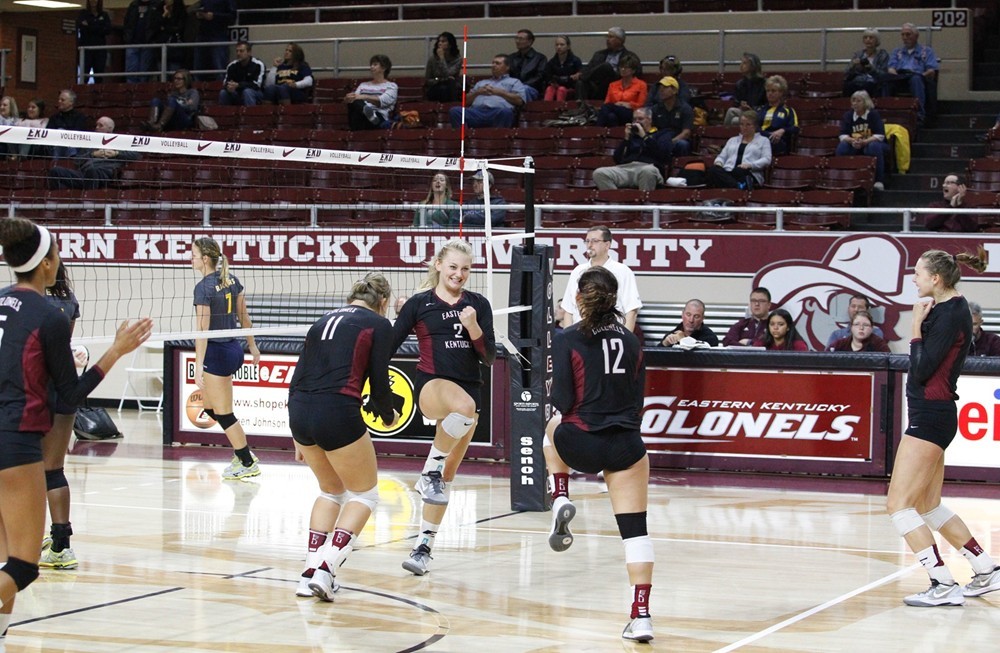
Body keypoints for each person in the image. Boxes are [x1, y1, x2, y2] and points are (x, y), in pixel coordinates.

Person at [0, 217, 151, 650]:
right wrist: (116, 351)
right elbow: (71, 395)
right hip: (15, 440)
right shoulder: (48, 315)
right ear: (46, 264)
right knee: (24, 566)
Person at [543, 266, 654, 642]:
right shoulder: (634, 341)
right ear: (617, 299)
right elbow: (638, 400)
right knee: (636, 534)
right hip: (626, 445)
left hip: (581, 441)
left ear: (578, 299)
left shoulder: (567, 338)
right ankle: (641, 616)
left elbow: (562, 400)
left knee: (549, 426)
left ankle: (559, 494)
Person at [886, 248, 1000, 607]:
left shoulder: (948, 314)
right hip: (937, 414)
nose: (914, 279)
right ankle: (985, 569)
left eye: (918, 274)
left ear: (936, 279)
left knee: (899, 505)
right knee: (929, 506)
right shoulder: (953, 308)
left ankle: (942, 583)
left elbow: (921, 370)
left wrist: (916, 327)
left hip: (930, 415)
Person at [288, 273, 399, 601]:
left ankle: (307, 572)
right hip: (336, 409)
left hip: (299, 411)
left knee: (331, 491)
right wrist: (388, 412)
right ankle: (326, 568)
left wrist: (297, 436)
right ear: (382, 303)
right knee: (365, 495)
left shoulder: (321, 321)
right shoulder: (379, 324)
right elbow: (379, 383)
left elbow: (297, 376)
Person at [391, 239, 496, 576]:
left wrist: (474, 327)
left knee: (445, 481)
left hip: (468, 396)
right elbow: (390, 342)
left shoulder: (478, 304)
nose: (459, 274)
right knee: (463, 408)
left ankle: (423, 548)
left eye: (465, 269)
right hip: (432, 387)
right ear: (438, 265)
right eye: (453, 267)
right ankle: (429, 471)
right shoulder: (420, 304)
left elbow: (489, 356)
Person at [190, 236, 262, 480]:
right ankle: (241, 451)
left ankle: (246, 460)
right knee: (210, 407)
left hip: (217, 352)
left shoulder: (204, 288)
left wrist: (198, 365)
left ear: (206, 259)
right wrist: (252, 346)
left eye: (194, 255)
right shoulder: (231, 279)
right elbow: (244, 317)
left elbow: (203, 330)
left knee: (223, 412)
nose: (191, 259)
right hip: (233, 348)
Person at [39, 263, 88, 570]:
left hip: (35, 388)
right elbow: (63, 345)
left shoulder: (26, 301)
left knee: (21, 470)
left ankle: (23, 538)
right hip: (66, 385)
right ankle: (61, 545)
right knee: (54, 470)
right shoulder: (68, 299)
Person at [560, 226, 642, 333]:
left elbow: (631, 310)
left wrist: (625, 339)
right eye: (587, 241)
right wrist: (568, 339)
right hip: (580, 335)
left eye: (595, 241)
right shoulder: (578, 271)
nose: (589, 245)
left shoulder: (623, 271)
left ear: (607, 245)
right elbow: (568, 310)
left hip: (611, 334)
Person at [48, 117, 141, 190]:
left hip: (103, 174)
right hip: (83, 174)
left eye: (100, 125)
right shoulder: (90, 143)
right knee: (55, 171)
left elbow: (137, 155)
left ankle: (89, 202)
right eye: (96, 125)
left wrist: (116, 153)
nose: (96, 128)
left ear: (110, 129)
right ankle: (59, 200)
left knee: (92, 171)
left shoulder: (119, 141)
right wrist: (92, 155)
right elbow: (77, 161)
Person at [593, 107, 672, 192]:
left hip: (648, 167)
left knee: (648, 171)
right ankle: (616, 202)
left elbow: (664, 155)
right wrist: (626, 139)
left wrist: (644, 137)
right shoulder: (632, 136)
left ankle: (644, 203)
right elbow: (617, 159)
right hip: (626, 169)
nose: (637, 122)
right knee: (599, 173)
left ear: (650, 120)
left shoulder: (662, 134)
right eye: (634, 119)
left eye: (640, 119)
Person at [569, 27, 642, 110]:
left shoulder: (630, 56)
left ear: (620, 40)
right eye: (607, 37)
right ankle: (581, 111)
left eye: (611, 37)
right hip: (598, 86)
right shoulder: (599, 54)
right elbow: (589, 68)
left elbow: (637, 74)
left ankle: (583, 77)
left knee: (606, 66)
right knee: (580, 83)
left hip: (618, 85)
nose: (607, 40)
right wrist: (580, 73)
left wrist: (582, 75)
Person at [448, 54, 526, 129]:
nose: (493, 65)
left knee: (506, 112)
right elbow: (465, 101)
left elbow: (519, 101)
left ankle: (498, 140)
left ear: (507, 67)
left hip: (497, 112)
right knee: (455, 111)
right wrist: (478, 92)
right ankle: (464, 140)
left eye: (498, 63)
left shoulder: (514, 82)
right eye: (493, 63)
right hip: (476, 112)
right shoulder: (481, 83)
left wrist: (500, 93)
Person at [835, 90, 889, 191]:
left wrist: (864, 142)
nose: (855, 103)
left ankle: (878, 180)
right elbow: (842, 135)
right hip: (855, 144)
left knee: (874, 147)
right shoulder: (848, 115)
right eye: (853, 100)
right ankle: (841, 178)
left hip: (872, 143)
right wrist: (852, 141)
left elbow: (879, 135)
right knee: (842, 147)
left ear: (866, 102)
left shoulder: (873, 114)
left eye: (858, 101)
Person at [706, 109, 772, 189]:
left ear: (755, 126)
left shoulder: (763, 140)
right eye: (742, 124)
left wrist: (750, 165)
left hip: (747, 172)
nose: (744, 127)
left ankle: (734, 185)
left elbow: (767, 159)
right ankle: (737, 186)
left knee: (738, 171)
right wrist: (719, 162)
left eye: (748, 125)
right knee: (713, 170)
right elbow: (722, 156)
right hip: (728, 171)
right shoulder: (732, 140)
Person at [886, 22, 938, 124]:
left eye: (908, 34)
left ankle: (919, 113)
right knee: (886, 80)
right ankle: (885, 110)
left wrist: (921, 75)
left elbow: (931, 70)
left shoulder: (927, 51)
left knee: (916, 79)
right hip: (900, 77)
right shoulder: (897, 51)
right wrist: (894, 74)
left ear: (916, 35)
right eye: (903, 35)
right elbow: (891, 68)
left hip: (918, 76)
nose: (905, 37)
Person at [346, 54, 398, 130]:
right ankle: (368, 112)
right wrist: (348, 98)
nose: (371, 67)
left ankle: (371, 115)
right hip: (360, 118)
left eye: (375, 64)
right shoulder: (363, 85)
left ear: (384, 68)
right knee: (354, 102)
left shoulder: (391, 86)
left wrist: (364, 96)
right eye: (371, 65)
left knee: (357, 100)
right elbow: (355, 98)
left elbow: (382, 101)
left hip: (378, 118)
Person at [595, 54, 647, 127]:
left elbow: (641, 105)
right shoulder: (612, 85)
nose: (623, 69)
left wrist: (628, 104)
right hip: (614, 112)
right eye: (621, 67)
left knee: (607, 109)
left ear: (633, 70)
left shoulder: (641, 85)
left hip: (631, 112)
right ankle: (613, 135)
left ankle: (598, 129)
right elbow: (607, 102)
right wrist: (617, 105)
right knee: (611, 116)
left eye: (626, 67)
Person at [193, 0, 237, 81]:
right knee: (198, 68)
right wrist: (199, 14)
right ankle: (198, 91)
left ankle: (222, 91)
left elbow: (232, 17)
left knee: (220, 68)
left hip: (219, 35)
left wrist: (214, 16)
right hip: (202, 34)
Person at [650, 77, 693, 156]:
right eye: (660, 88)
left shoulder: (685, 108)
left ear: (674, 90)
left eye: (665, 87)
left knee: (683, 144)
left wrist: (671, 142)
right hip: (661, 137)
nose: (661, 90)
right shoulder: (655, 109)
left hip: (677, 138)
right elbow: (652, 128)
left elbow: (686, 133)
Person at [123, 0, 163, 83]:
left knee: (144, 72)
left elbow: (158, 23)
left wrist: (152, 37)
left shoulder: (157, 5)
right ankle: (131, 92)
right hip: (132, 42)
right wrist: (127, 37)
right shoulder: (133, 5)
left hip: (148, 43)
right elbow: (127, 22)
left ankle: (142, 93)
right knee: (131, 71)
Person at [759, 75, 798, 157]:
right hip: (761, 139)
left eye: (773, 91)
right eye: (768, 91)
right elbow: (755, 127)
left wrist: (783, 130)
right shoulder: (761, 110)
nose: (770, 93)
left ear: (781, 93)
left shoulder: (788, 111)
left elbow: (795, 127)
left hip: (777, 142)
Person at [844, 27, 889, 97]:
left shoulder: (882, 55)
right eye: (865, 38)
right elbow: (846, 73)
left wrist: (871, 69)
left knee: (871, 86)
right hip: (858, 81)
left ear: (876, 40)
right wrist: (854, 66)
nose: (868, 40)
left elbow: (883, 75)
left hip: (873, 82)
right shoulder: (858, 54)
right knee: (847, 85)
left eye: (871, 38)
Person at [218, 41, 266, 107]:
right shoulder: (232, 66)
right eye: (237, 51)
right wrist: (229, 86)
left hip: (255, 93)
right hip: (237, 93)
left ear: (249, 52)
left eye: (241, 51)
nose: (238, 53)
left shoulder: (258, 65)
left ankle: (250, 115)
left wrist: (238, 85)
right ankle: (225, 115)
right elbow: (226, 82)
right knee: (223, 93)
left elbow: (257, 85)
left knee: (247, 92)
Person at [724, 52, 766, 125]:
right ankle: (723, 134)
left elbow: (767, 104)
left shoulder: (764, 83)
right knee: (732, 113)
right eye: (741, 63)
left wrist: (752, 108)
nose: (741, 65)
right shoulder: (740, 84)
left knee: (735, 120)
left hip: (759, 113)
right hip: (745, 113)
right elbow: (736, 102)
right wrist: (741, 106)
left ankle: (723, 134)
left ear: (753, 66)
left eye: (744, 63)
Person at [48, 90, 90, 160]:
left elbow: (78, 135)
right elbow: (49, 133)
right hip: (55, 145)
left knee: (60, 132)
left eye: (62, 100)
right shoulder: (54, 117)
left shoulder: (80, 117)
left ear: (71, 102)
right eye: (59, 99)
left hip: (73, 144)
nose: (59, 102)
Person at [76, 0, 112, 83]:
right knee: (85, 73)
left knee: (99, 73)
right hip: (86, 48)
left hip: (100, 49)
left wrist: (90, 26)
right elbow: (81, 27)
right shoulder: (83, 14)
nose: (93, 1)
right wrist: (98, 26)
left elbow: (108, 30)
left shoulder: (104, 15)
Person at [509, 29, 548, 102]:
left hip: (531, 88)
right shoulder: (511, 57)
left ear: (530, 42)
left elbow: (540, 76)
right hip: (513, 88)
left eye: (521, 39)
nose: (517, 41)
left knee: (524, 89)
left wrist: (520, 86)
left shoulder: (540, 58)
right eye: (516, 38)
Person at [424, 32, 461, 102]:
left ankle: (451, 107)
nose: (440, 43)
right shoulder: (432, 59)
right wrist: (440, 80)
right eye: (439, 41)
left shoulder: (457, 59)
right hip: (435, 87)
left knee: (450, 84)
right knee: (442, 88)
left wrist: (442, 58)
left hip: (451, 88)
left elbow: (449, 74)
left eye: (443, 41)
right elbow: (428, 80)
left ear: (450, 44)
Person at [543, 35, 582, 103]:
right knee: (549, 89)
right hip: (555, 86)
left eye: (562, 45)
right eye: (557, 45)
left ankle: (560, 110)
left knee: (561, 89)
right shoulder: (551, 62)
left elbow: (579, 75)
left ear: (568, 46)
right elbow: (548, 77)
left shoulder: (575, 61)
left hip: (570, 87)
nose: (559, 47)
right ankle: (546, 111)